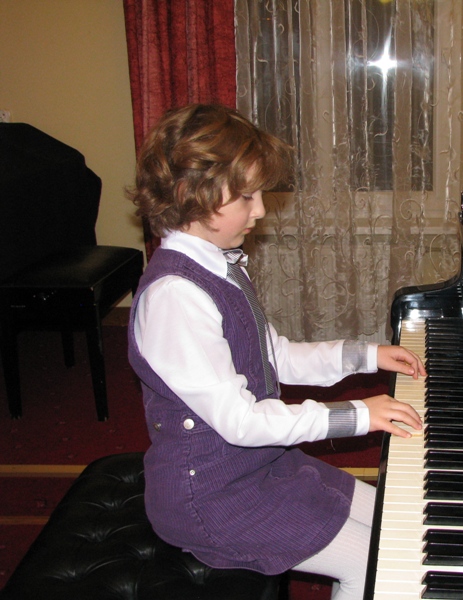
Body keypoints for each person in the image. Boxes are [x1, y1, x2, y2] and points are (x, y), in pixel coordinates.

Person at [126, 103, 424, 600]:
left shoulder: (219, 265)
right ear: (189, 194)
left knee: (396, 520)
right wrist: (358, 415)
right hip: (211, 498)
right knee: (372, 567)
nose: (261, 210)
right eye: (247, 196)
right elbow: (241, 422)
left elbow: (275, 356)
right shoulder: (175, 297)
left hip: (260, 466)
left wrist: (367, 355)